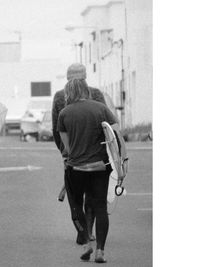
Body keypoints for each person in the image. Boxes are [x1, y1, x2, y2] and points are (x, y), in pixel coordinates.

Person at [58, 78, 127, 263]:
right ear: (85, 90)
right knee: (100, 208)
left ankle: (87, 243)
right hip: (99, 167)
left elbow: (68, 149)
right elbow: (115, 134)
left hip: (76, 168)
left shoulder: (64, 113)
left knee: (76, 205)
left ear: (68, 92)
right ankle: (100, 252)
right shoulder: (100, 108)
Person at [52, 63, 107, 244]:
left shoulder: (61, 97)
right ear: (85, 78)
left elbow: (57, 129)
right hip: (97, 155)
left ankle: (83, 231)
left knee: (75, 196)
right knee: (93, 195)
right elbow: (107, 128)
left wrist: (65, 154)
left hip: (73, 155)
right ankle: (89, 230)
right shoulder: (96, 94)